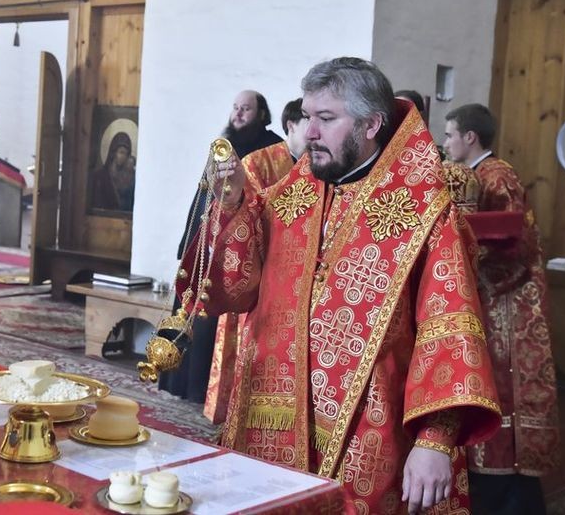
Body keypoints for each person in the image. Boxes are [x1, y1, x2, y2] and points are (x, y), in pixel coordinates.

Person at [179, 58, 501, 513]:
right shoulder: (292, 195)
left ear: (371, 124)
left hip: (370, 430)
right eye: (308, 116)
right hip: (273, 418)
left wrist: (435, 440)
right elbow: (237, 287)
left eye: (326, 118)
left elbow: (449, 327)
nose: (309, 132)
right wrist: (232, 204)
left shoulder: (424, 212)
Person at [443, 103, 559, 515]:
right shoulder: (479, 174)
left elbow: (514, 247)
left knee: (503, 390)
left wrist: (464, 264)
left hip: (507, 306)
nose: (445, 143)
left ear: (469, 137)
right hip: (492, 301)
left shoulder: (496, 176)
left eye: (449, 135)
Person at [161, 90, 283, 404]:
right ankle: (177, 383)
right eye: (235, 108)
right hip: (206, 240)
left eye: (246, 109)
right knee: (188, 308)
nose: (238, 114)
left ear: (261, 114)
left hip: (235, 250)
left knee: (211, 318)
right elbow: (202, 195)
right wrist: (189, 242)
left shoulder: (271, 149)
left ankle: (202, 390)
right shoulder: (223, 145)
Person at [205, 97, 310, 422]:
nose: (317, 131)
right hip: (256, 272)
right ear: (292, 124)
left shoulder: (316, 166)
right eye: (311, 121)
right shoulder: (259, 163)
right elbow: (242, 217)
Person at [242, 97, 308, 191]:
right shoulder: (255, 163)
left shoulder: (323, 163)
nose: (316, 131)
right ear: (291, 126)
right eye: (309, 123)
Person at [89, 132, 136, 212]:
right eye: (121, 152)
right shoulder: (100, 176)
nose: (123, 156)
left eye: (126, 154)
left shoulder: (130, 178)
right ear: (113, 153)